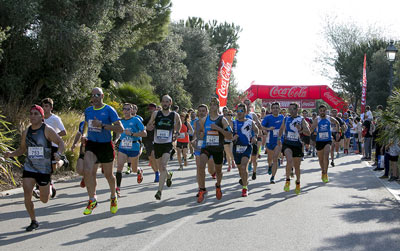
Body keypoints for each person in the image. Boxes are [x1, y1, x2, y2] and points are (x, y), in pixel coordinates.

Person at [4, 105, 66, 231]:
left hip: (44, 169)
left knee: (44, 200)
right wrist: (11, 154)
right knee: (27, 194)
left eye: (36, 114)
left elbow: (61, 142)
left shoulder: (47, 130)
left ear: (42, 117)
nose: (32, 116)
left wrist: (59, 154)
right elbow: (22, 149)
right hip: (30, 167)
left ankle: (53, 178)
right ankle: (33, 221)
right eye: (31, 113)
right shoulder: (26, 132)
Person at [81, 87, 124, 215]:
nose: (95, 97)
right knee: (88, 171)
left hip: (105, 145)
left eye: (97, 95)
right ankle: (92, 199)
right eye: (93, 95)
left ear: (102, 96)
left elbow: (120, 129)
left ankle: (113, 196)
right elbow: (86, 125)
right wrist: (84, 135)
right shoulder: (88, 110)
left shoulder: (109, 110)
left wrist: (103, 126)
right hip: (92, 144)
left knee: (108, 175)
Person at [196, 97, 232, 203]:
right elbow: (202, 132)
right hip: (206, 147)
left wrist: (218, 129)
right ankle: (202, 189)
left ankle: (218, 185)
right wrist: (201, 135)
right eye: (211, 104)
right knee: (201, 166)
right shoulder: (203, 120)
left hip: (218, 148)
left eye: (215, 104)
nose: (212, 106)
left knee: (219, 171)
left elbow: (229, 135)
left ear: (218, 106)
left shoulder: (222, 120)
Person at [147, 95, 181, 200]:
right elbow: (148, 126)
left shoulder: (174, 115)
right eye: (163, 102)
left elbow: (179, 125)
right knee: (160, 167)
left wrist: (177, 133)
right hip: (157, 144)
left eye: (167, 102)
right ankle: (168, 176)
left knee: (163, 166)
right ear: (161, 103)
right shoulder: (156, 114)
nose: (165, 103)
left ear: (170, 103)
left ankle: (159, 191)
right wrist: (150, 127)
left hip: (167, 144)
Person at [115, 103, 147, 197]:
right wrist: (116, 140)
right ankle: (118, 189)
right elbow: (119, 132)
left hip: (134, 147)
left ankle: (139, 170)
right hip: (123, 147)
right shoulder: (120, 121)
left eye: (128, 109)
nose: (126, 111)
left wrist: (132, 134)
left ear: (132, 110)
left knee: (133, 169)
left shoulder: (136, 120)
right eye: (124, 109)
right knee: (119, 167)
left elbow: (144, 133)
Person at [278, 103, 310, 195]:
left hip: (297, 144)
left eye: (293, 109)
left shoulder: (301, 120)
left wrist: (300, 129)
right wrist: (279, 139)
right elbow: (281, 129)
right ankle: (287, 180)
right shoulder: (286, 118)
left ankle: (298, 182)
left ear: (297, 110)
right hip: (287, 143)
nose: (291, 111)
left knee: (297, 166)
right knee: (289, 160)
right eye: (289, 109)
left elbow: (308, 132)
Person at [232, 103, 259, 197]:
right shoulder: (233, 123)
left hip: (247, 147)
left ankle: (244, 188)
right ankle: (245, 180)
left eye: (241, 111)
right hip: (236, 148)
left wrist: (255, 137)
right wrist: (233, 137)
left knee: (244, 167)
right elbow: (228, 134)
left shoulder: (250, 121)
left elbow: (256, 130)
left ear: (245, 112)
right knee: (240, 170)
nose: (239, 113)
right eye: (238, 111)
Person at [310, 105, 339, 183]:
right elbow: (311, 129)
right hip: (319, 141)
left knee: (326, 156)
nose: (322, 112)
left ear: (326, 111)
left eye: (324, 110)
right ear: (319, 111)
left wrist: (337, 132)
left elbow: (337, 123)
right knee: (320, 159)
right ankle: (323, 171)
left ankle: (325, 173)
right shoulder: (317, 119)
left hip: (328, 140)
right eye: (321, 110)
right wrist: (312, 134)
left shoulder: (329, 118)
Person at [261, 102, 284, 184]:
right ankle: (270, 166)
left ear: (279, 109)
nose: (275, 109)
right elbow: (261, 126)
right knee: (269, 158)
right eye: (274, 108)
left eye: (277, 108)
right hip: (269, 141)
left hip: (279, 141)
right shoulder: (268, 118)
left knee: (275, 158)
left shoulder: (282, 117)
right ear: (271, 109)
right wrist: (268, 128)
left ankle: (273, 177)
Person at [243, 99, 262, 180]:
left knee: (254, 158)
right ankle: (245, 176)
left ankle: (254, 171)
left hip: (252, 139)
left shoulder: (252, 115)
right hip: (243, 140)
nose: (247, 106)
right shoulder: (240, 115)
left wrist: (258, 125)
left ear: (250, 106)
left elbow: (259, 125)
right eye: (245, 104)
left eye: (248, 105)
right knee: (244, 160)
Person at [142, 103, 159, 182]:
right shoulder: (147, 119)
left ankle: (157, 173)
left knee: (154, 156)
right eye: (149, 108)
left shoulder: (160, 118)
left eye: (152, 108)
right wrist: (146, 128)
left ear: (155, 109)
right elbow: (141, 127)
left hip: (157, 140)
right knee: (151, 158)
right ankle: (157, 172)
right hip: (148, 140)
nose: (150, 110)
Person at [222, 107, 235, 172]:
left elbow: (235, 131)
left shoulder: (233, 122)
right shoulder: (223, 122)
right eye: (228, 115)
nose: (229, 116)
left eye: (231, 115)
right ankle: (229, 165)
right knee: (227, 153)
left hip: (232, 139)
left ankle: (232, 160)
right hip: (225, 139)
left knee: (230, 151)